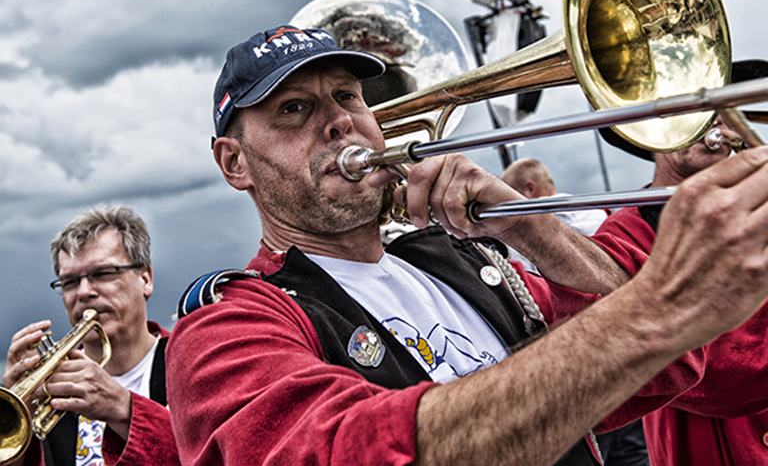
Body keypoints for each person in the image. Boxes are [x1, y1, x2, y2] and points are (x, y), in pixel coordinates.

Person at [166, 26, 768, 466]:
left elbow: (659, 371)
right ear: (235, 163)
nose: (340, 121)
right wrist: (662, 307)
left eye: (349, 97)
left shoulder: (466, 263)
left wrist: (529, 226)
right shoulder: (228, 328)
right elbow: (351, 452)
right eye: (294, 109)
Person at [593, 106, 768, 465]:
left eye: (723, 108)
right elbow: (708, 372)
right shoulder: (624, 232)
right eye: (693, 110)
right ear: (648, 132)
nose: (716, 119)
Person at [2, 205, 180, 466]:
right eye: (70, 282)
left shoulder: (189, 363)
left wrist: (124, 409)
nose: (84, 292)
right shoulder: (53, 390)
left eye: (103, 274)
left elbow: (214, 457)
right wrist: (19, 418)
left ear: (145, 279)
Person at [502, 158, 647, 466]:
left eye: (510, 195)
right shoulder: (599, 212)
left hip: (580, 355)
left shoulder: (523, 223)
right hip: (631, 349)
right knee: (635, 452)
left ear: (529, 189)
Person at [500, 158, 608, 236]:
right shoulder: (600, 214)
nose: (508, 210)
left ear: (530, 189)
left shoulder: (532, 225)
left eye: (509, 199)